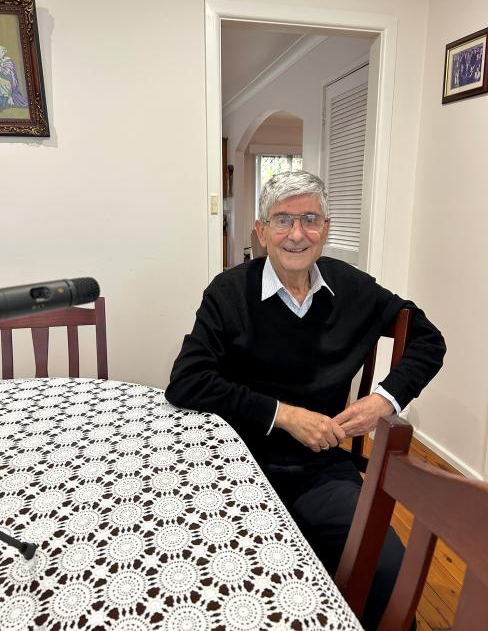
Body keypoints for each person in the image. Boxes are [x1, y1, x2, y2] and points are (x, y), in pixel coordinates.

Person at [166, 170, 446, 630]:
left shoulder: (351, 287)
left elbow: (428, 339)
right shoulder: (229, 291)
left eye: (310, 219)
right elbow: (187, 381)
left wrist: (383, 401)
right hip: (237, 462)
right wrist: (284, 415)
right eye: (282, 220)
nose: (297, 234)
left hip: (320, 466)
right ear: (260, 231)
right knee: (218, 586)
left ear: (327, 228)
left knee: (388, 571)